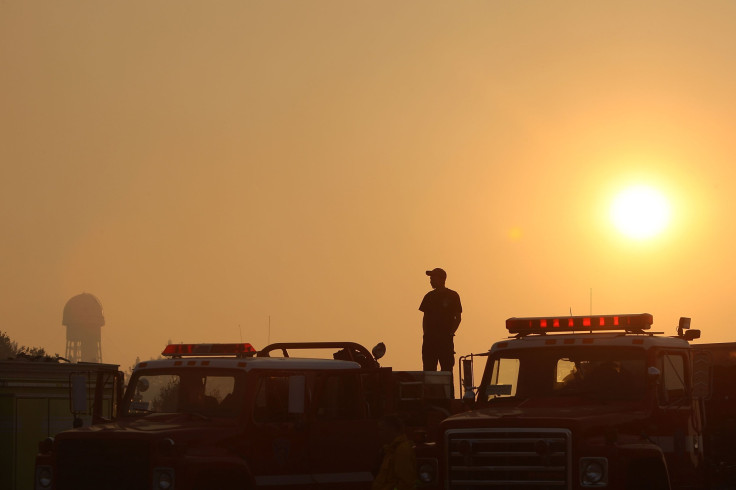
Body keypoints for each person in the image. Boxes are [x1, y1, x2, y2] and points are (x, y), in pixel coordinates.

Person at [419, 268, 462, 372]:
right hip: (430, 342)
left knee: (447, 372)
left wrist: (451, 333)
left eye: (433, 278)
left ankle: (447, 389)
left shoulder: (453, 296)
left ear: (441, 279)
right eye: (430, 278)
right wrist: (426, 335)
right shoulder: (429, 297)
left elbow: (458, 317)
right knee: (429, 372)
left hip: (445, 341)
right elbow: (425, 318)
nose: (431, 280)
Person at [372, 415, 416, 490]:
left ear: (392, 429)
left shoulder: (402, 450)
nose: (379, 433)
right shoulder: (390, 449)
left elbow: (405, 483)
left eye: (381, 429)